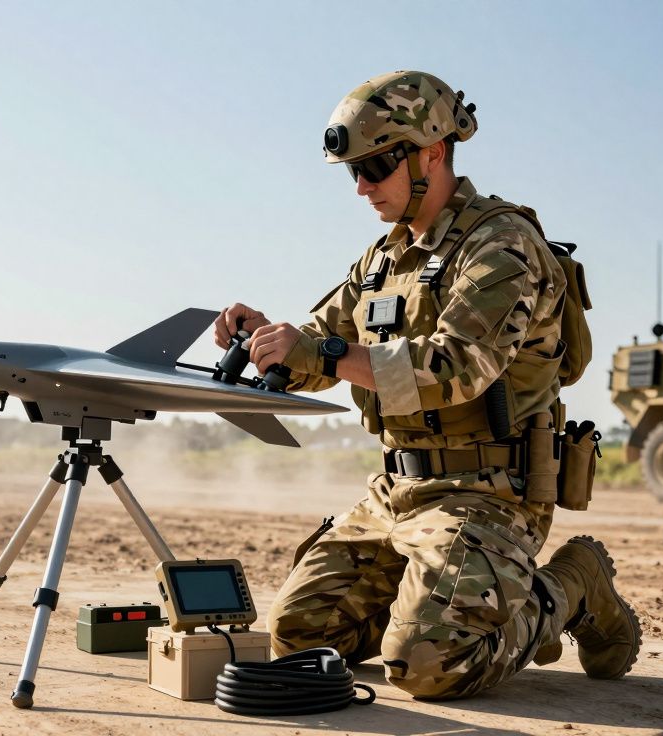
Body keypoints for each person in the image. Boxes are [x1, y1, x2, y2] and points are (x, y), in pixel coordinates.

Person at [213, 70, 640, 700]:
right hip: (397, 493)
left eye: (376, 165)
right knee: (299, 636)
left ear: (432, 154)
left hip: (490, 496)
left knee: (429, 665)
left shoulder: (502, 245)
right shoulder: (384, 261)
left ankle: (572, 585)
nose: (361, 187)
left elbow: (455, 367)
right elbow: (321, 347)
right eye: (351, 171)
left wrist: (322, 351)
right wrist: (267, 342)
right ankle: (436, 605)